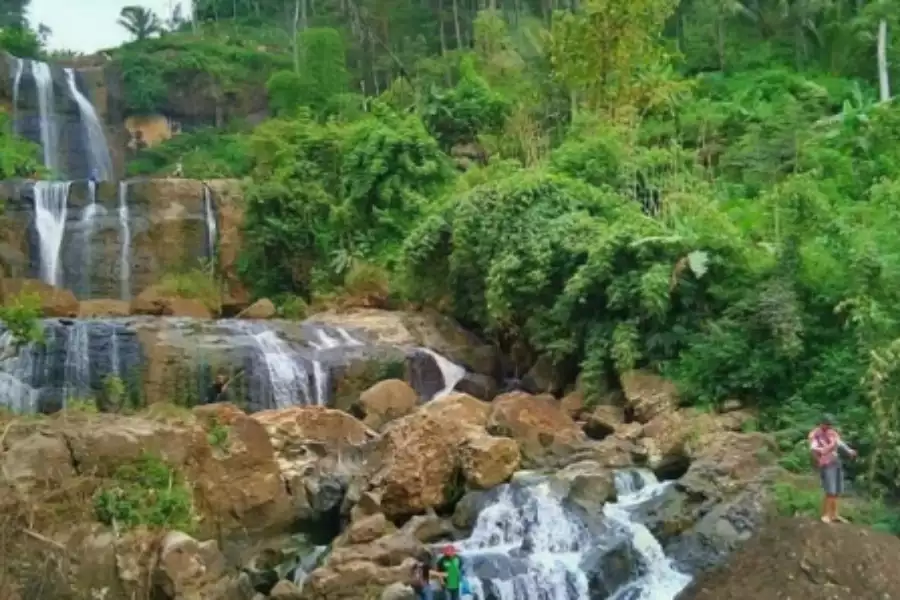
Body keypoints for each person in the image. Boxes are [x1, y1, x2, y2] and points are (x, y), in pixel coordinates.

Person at [809, 414, 857, 523]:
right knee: (830, 489)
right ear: (822, 423)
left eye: (830, 424)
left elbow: (839, 443)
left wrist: (849, 451)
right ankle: (826, 514)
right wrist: (820, 458)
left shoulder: (832, 433)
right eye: (827, 424)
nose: (829, 426)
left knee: (837, 489)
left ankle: (834, 514)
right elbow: (813, 449)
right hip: (826, 463)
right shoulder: (815, 434)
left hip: (836, 462)